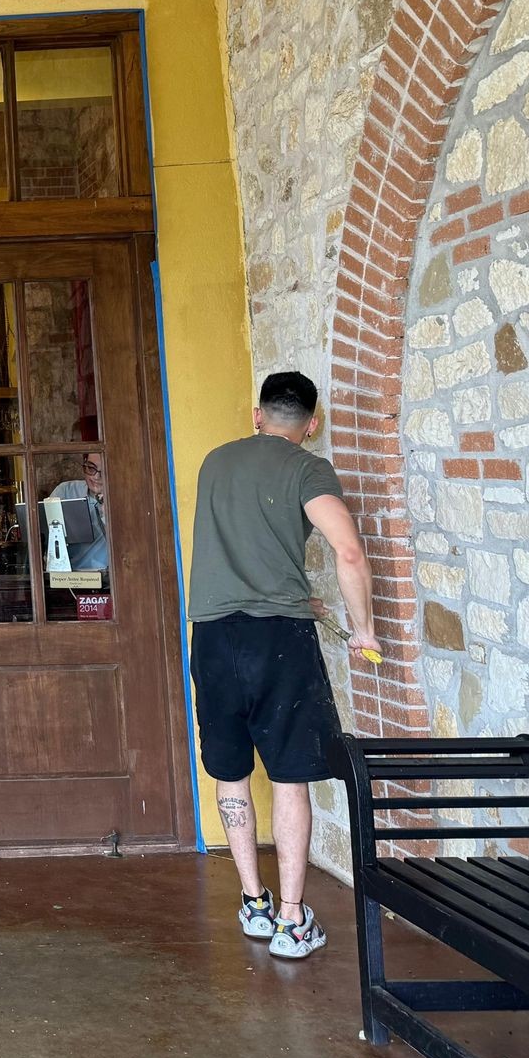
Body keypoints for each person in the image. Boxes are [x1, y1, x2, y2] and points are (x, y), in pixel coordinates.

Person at [187, 371, 379, 960]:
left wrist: (303, 598)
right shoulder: (307, 468)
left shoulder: (215, 463)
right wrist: (363, 628)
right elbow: (347, 549)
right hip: (279, 640)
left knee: (230, 769)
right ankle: (293, 922)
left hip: (214, 638)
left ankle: (253, 901)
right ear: (311, 424)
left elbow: (243, 551)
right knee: (291, 776)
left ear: (257, 415)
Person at [49, 452, 108, 571]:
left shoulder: (126, 502)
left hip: (112, 579)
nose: (96, 477)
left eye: (105, 470)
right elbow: (43, 537)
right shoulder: (65, 492)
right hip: (68, 577)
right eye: (91, 468)